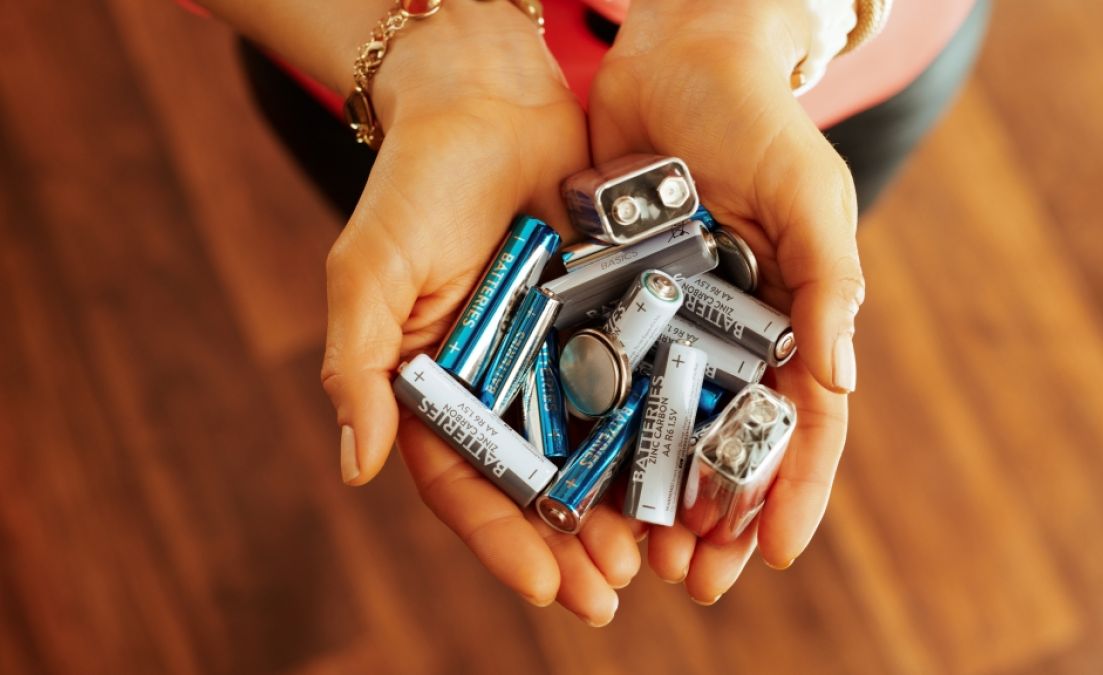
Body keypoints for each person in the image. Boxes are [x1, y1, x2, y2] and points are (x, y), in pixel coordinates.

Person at [191, 0, 986, 626]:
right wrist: (428, 56)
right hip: (376, 64)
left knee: (797, 259)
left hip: (828, 66)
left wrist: (740, 18)